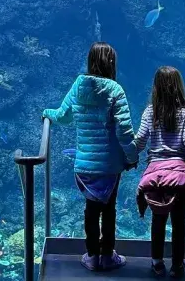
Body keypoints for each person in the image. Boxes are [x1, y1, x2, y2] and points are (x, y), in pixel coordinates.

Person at [42, 41, 139, 272]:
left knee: (91, 210)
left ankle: (92, 256)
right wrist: (132, 156)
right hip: (109, 165)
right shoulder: (115, 90)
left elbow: (63, 116)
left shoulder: (78, 86)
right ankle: (107, 256)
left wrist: (47, 114)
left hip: (84, 166)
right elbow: (124, 131)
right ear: (112, 64)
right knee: (109, 210)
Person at [134, 66, 185, 279]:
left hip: (155, 173)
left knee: (158, 219)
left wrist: (126, 152)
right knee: (179, 220)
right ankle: (177, 266)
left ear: (156, 88)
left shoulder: (150, 111)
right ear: (179, 87)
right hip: (179, 174)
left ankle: (156, 263)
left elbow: (140, 141)